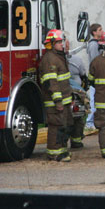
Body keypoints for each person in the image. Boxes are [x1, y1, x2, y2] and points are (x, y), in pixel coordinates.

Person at [38, 29, 74, 162]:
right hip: (54, 101)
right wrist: (58, 101)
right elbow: (51, 83)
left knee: (65, 124)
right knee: (56, 126)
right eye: (59, 42)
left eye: (62, 42)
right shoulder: (50, 59)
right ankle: (54, 153)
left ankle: (62, 151)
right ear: (52, 43)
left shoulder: (59, 57)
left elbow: (64, 80)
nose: (62, 44)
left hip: (64, 100)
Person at [64, 38, 88, 148]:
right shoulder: (57, 60)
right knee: (73, 117)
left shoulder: (76, 60)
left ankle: (76, 140)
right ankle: (72, 140)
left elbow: (83, 76)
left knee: (78, 116)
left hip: (77, 93)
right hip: (65, 93)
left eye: (66, 44)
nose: (65, 46)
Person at [84, 23, 103, 135]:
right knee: (93, 100)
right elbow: (96, 61)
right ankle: (90, 122)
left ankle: (93, 121)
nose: (102, 31)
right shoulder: (94, 45)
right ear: (94, 32)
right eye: (100, 30)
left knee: (96, 100)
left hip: (98, 76)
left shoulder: (98, 44)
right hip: (96, 77)